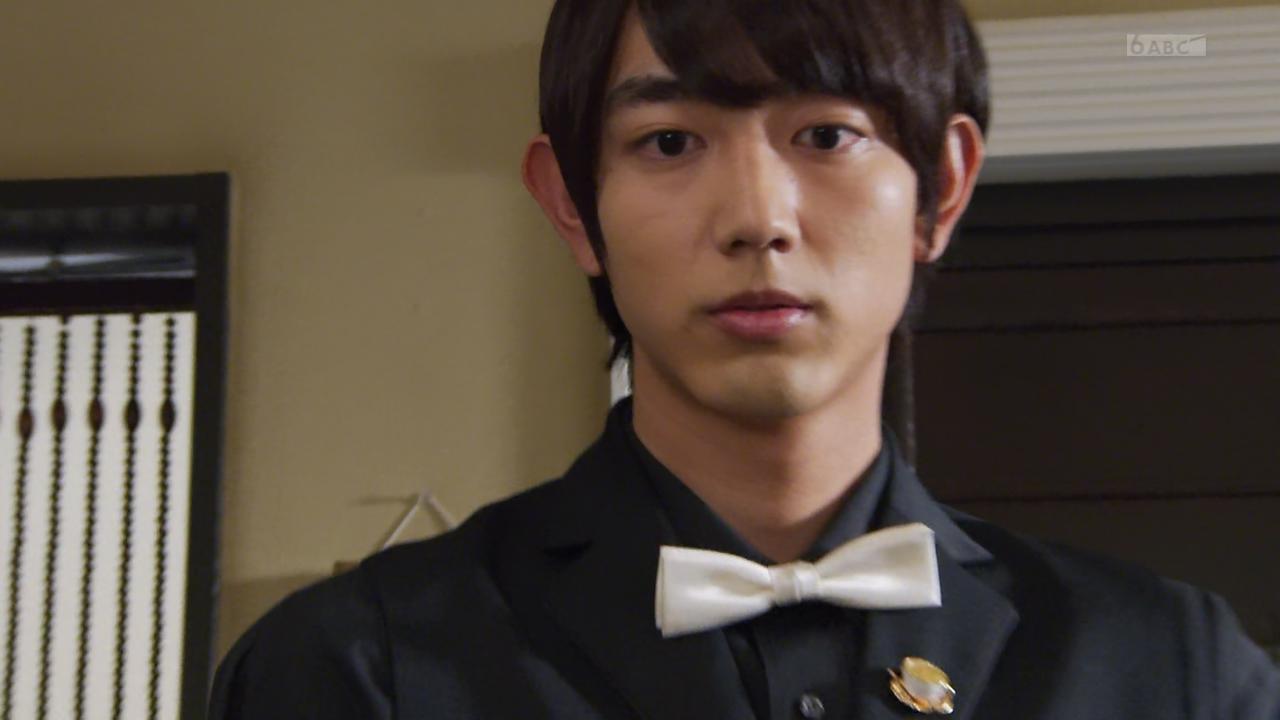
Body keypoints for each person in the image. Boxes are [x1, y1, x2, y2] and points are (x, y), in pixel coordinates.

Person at [209, 0, 1280, 718]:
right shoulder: (357, 668)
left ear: (941, 190)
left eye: (828, 135)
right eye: (670, 142)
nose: (757, 219)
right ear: (572, 207)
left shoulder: (1171, 667)